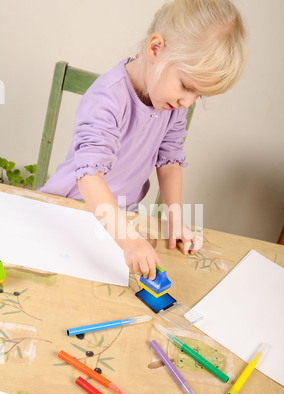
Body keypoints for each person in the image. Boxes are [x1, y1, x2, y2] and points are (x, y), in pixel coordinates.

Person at [38, 0, 247, 281]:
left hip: (122, 216)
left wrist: (174, 218)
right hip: (72, 209)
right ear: (155, 48)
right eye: (186, 85)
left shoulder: (174, 106)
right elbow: (89, 176)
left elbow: (170, 158)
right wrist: (130, 241)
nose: (188, 101)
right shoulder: (108, 97)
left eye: (199, 94)